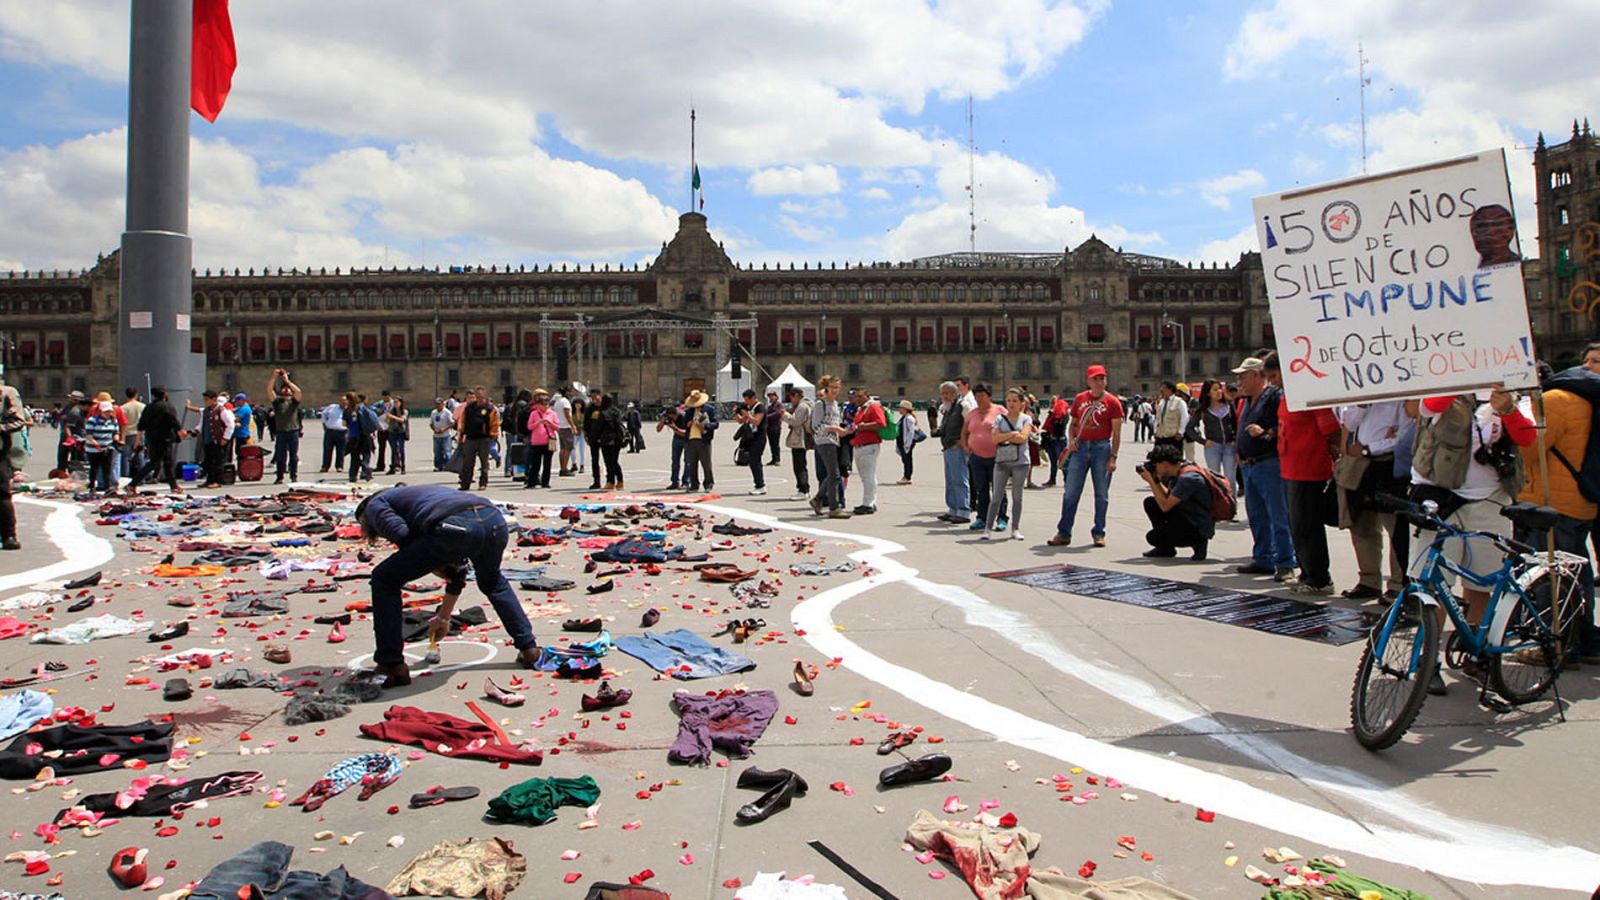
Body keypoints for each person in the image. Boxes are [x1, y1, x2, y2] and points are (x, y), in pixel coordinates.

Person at [1409, 387, 1535, 694]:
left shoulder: (1515, 396)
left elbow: (1528, 438)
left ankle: (1474, 653)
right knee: (1433, 583)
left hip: (1490, 499)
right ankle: (1428, 661)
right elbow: (1425, 408)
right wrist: (1456, 381)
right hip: (1439, 493)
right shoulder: (1447, 385)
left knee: (1483, 583)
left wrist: (1508, 410)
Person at [356, 486, 541, 688]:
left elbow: (403, 536)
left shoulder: (375, 506)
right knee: (493, 582)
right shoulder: (416, 496)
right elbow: (456, 572)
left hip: (454, 527)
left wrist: (435, 562)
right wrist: (443, 617)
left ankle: (390, 664)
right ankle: (529, 649)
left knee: (385, 579)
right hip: (494, 521)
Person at [1519, 364, 1599, 664]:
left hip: (1553, 503)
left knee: (1549, 577)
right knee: (1579, 574)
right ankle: (1584, 639)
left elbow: (1531, 449)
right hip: (1584, 499)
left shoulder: (1555, 400)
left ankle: (1553, 646)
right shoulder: (1590, 401)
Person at [1270, 352, 1340, 595]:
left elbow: (1331, 429)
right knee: (1297, 525)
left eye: (1274, 375)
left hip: (1310, 467)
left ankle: (1320, 578)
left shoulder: (1309, 394)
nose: (1273, 381)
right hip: (1291, 466)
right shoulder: (1286, 396)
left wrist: (1333, 454)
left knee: (1309, 524)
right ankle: (1307, 571)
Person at [1336, 400, 1409, 601]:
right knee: (1361, 525)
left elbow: (1402, 436)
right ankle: (1368, 580)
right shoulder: (1358, 397)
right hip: (1359, 465)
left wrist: (1369, 448)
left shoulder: (1399, 398)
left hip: (1387, 464)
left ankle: (1397, 584)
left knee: (1395, 528)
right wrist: (1360, 405)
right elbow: (1348, 424)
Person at [1233, 356, 1296, 581]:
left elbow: (1285, 425)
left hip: (1270, 462)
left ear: (1257, 376)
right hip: (1250, 464)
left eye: (1243, 376)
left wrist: (1266, 432)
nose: (1239, 381)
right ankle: (1263, 558)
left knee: (1277, 514)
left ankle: (1286, 561)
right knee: (1257, 514)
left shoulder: (1274, 397)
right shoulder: (1247, 400)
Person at [1048, 364, 1124, 548]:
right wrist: (1072, 441)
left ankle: (1099, 532)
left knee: (1101, 494)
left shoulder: (1113, 402)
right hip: (1080, 449)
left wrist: (1113, 457)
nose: (1099, 382)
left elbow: (1117, 433)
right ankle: (1064, 532)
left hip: (1102, 449)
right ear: (1088, 381)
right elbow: (1072, 424)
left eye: (1102, 378)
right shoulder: (1080, 398)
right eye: (1095, 379)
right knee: (1071, 492)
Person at [1138, 443, 1215, 560]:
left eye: (1156, 464)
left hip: (1197, 526)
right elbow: (1168, 496)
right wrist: (1156, 481)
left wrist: (1151, 481)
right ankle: (1166, 549)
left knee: (1153, 537)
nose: (1155, 467)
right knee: (1151, 503)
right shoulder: (1179, 471)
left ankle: (1198, 542)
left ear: (1165, 464)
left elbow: (1165, 506)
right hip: (1186, 515)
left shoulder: (1188, 479)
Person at [986, 388, 1034, 541]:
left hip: (1021, 462)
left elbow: (1024, 438)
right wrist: (1013, 434)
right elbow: (994, 439)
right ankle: (987, 528)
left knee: (1017, 496)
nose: (1011, 404)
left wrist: (1004, 437)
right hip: (1002, 462)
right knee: (996, 496)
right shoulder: (1000, 419)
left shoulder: (1026, 419)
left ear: (1021, 403)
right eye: (1009, 401)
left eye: (1015, 401)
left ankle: (1015, 528)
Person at [960, 384, 1006, 533]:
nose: (979, 399)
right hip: (977, 458)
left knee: (998, 489)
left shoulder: (999, 411)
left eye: (982, 396)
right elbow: (965, 431)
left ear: (989, 396)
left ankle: (1002, 518)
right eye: (977, 396)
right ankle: (982, 518)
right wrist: (966, 446)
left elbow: (1012, 426)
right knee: (981, 490)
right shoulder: (972, 413)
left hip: (997, 457)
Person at [809, 376, 850, 519]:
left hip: (834, 441)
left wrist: (843, 430)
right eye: (832, 387)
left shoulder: (835, 404)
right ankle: (833, 507)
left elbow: (836, 423)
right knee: (835, 475)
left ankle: (817, 499)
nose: (835, 390)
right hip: (824, 441)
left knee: (833, 474)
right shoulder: (821, 404)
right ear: (826, 387)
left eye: (837, 387)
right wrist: (835, 429)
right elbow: (816, 426)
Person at [130, 386, 183, 494]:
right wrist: (180, 431)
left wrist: (137, 440)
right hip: (166, 438)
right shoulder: (168, 406)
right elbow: (173, 421)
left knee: (166, 462)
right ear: (164, 394)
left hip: (152, 438)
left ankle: (174, 486)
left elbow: (141, 425)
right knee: (156, 462)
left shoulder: (149, 407)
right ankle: (132, 484)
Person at [935, 381, 970, 523]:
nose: (945, 396)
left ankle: (963, 511)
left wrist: (963, 440)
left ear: (955, 393)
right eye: (943, 393)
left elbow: (969, 423)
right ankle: (953, 508)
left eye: (948, 393)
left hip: (957, 447)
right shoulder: (947, 408)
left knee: (960, 479)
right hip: (948, 447)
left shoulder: (963, 406)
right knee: (950, 480)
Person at [0, 377, 29, 549]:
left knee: (2, 494)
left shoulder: (6, 393)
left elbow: (19, 420)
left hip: (0, 451)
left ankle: (9, 535)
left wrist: (1, 428)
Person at [847, 387, 886, 515]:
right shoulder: (862, 409)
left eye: (860, 396)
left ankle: (867, 504)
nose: (857, 399)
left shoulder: (873, 406)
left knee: (867, 476)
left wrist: (863, 426)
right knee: (868, 476)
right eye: (855, 397)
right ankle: (871, 502)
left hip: (869, 445)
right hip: (860, 444)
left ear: (867, 395)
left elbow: (881, 423)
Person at [454, 387, 498, 491]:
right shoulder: (469, 408)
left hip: (484, 439)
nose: (478, 397)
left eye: (480, 395)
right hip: (470, 438)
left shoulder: (489, 409)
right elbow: (464, 422)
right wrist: (461, 434)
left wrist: (492, 435)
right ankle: (465, 483)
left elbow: (494, 423)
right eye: (476, 395)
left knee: (484, 463)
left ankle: (483, 483)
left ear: (484, 396)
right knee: (467, 463)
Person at [1199, 380, 1237, 491]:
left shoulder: (1229, 406)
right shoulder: (1204, 409)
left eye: (1220, 388)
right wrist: (1203, 441)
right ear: (1208, 393)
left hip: (1229, 445)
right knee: (1214, 478)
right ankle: (1219, 504)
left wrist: (1235, 439)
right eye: (1215, 389)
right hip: (1213, 446)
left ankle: (1231, 505)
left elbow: (1236, 424)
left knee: (1230, 478)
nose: (1219, 391)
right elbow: (1190, 428)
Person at [266, 369, 303, 484]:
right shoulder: (277, 402)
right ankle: (280, 476)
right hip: (281, 431)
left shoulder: (294, 402)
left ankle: (293, 475)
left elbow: (298, 392)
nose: (286, 390)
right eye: (284, 388)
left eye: (288, 389)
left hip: (293, 431)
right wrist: (274, 377)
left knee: (293, 455)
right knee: (281, 455)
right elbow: (269, 390)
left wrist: (288, 381)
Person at [680, 390, 717, 492]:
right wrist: (688, 424)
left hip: (703, 439)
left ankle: (708, 483)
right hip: (691, 438)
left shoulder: (709, 409)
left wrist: (705, 425)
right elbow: (683, 423)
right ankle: (694, 485)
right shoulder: (689, 411)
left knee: (706, 463)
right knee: (692, 464)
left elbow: (716, 423)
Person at [523, 390, 559, 489]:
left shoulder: (552, 414)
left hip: (549, 441)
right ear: (538, 405)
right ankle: (532, 482)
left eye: (547, 405)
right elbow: (529, 427)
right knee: (535, 463)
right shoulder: (534, 414)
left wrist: (550, 423)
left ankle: (545, 482)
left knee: (547, 463)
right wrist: (538, 423)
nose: (545, 407)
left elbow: (557, 427)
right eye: (543, 405)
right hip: (537, 442)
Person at [735, 389, 768, 495]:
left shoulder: (759, 407)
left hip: (759, 437)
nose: (746, 402)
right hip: (751, 437)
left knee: (755, 460)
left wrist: (748, 415)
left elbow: (757, 421)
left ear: (753, 397)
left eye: (747, 400)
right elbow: (741, 421)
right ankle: (758, 484)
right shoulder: (749, 407)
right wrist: (737, 413)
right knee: (752, 461)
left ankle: (760, 485)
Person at [199, 391, 235, 488]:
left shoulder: (222, 410)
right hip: (208, 440)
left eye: (207, 400)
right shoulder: (206, 411)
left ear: (214, 399)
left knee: (218, 462)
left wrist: (225, 438)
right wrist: (196, 431)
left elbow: (230, 425)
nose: (205, 402)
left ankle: (217, 481)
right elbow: (203, 424)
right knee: (208, 462)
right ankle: (209, 480)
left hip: (218, 440)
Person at [84, 401, 121, 494]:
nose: (108, 413)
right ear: (100, 411)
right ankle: (92, 486)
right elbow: (89, 435)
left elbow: (115, 433)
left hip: (108, 448)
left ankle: (107, 487)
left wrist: (117, 440)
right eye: (106, 412)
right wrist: (96, 445)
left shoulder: (113, 421)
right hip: (93, 449)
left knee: (107, 468)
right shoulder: (92, 421)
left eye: (110, 411)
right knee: (94, 468)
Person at [784, 386, 813, 499]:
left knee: (799, 466)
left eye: (791, 397)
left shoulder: (802, 407)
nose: (790, 399)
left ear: (796, 396)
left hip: (800, 439)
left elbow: (795, 421)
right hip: (797, 439)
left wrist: (784, 414)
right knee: (798, 465)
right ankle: (801, 487)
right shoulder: (799, 406)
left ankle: (803, 489)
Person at [344, 392, 378, 483]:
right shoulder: (362, 408)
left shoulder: (347, 410)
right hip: (365, 435)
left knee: (354, 456)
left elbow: (344, 424)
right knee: (366, 454)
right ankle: (365, 469)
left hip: (354, 436)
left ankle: (353, 475)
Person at [596, 392, 626, 491]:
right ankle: (620, 481)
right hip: (617, 439)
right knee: (614, 461)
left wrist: (594, 437)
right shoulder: (616, 411)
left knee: (608, 462)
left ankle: (611, 482)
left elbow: (599, 427)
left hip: (606, 440)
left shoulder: (603, 412)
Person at [1039, 393, 1069, 487]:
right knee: (1053, 461)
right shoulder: (1053, 414)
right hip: (1053, 440)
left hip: (1059, 440)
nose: (1052, 404)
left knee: (1062, 461)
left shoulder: (1061, 414)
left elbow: (1060, 426)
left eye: (1054, 401)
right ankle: (1053, 479)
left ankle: (1067, 480)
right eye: (1051, 402)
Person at [658, 401, 687, 489]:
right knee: (675, 461)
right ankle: (675, 482)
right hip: (677, 439)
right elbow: (658, 430)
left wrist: (674, 428)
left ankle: (686, 482)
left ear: (676, 414)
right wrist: (662, 422)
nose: (672, 419)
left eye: (673, 417)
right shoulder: (668, 417)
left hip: (686, 439)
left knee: (688, 461)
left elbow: (685, 433)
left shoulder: (684, 417)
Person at [1151, 382, 1187, 451]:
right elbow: (1157, 418)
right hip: (1160, 437)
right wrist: (1155, 431)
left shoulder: (1180, 402)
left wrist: (1181, 432)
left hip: (1173, 437)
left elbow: (1184, 418)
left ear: (1170, 389)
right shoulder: (1161, 402)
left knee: (1173, 460)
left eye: (1163, 388)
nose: (1161, 390)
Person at [120, 388, 146, 480]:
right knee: (140, 455)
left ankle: (125, 477)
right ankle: (142, 477)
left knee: (126, 456)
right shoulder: (142, 406)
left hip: (127, 433)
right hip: (139, 432)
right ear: (136, 395)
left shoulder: (123, 408)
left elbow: (122, 422)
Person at [319, 396, 348, 473]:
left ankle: (339, 466)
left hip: (342, 432)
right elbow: (324, 414)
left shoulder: (349, 410)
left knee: (341, 451)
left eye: (345, 401)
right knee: (327, 450)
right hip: (330, 431)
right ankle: (325, 466)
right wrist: (324, 424)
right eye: (342, 400)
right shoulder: (332, 407)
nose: (343, 402)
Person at [553, 387, 576, 476]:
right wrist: (573, 426)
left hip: (560, 426)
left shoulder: (557, 402)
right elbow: (567, 415)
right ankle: (565, 468)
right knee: (568, 448)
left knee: (562, 448)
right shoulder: (565, 402)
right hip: (566, 426)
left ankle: (562, 467)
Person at [894, 400, 919, 485]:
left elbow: (911, 432)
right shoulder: (904, 417)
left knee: (907, 460)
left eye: (900, 408)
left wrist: (907, 444)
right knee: (905, 460)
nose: (899, 410)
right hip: (902, 442)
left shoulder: (909, 418)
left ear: (905, 409)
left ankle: (907, 477)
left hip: (906, 443)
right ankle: (906, 476)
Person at [384, 396, 409, 475]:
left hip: (401, 432)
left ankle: (403, 467)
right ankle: (393, 467)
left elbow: (402, 420)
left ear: (401, 403)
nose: (395, 404)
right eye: (394, 402)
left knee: (401, 449)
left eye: (397, 402)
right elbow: (387, 420)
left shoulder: (404, 411)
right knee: (394, 450)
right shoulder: (391, 411)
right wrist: (387, 417)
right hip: (392, 432)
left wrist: (392, 417)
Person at [429, 398, 454, 471]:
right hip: (436, 436)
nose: (438, 406)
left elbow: (452, 423)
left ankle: (448, 465)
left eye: (439, 404)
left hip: (445, 435)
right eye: (436, 404)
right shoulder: (433, 412)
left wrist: (444, 429)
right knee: (437, 452)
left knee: (447, 452)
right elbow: (431, 423)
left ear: (443, 404)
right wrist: (434, 429)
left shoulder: (447, 412)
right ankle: (438, 466)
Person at [231, 392, 254, 469]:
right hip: (240, 434)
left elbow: (236, 419)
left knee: (241, 453)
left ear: (243, 400)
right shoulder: (241, 407)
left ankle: (242, 468)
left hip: (242, 434)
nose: (236, 403)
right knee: (239, 452)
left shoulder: (244, 409)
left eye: (237, 401)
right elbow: (233, 410)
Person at [373, 391, 392, 474]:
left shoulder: (393, 404)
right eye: (383, 397)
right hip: (382, 428)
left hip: (391, 428)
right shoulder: (379, 403)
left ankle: (396, 465)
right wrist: (377, 410)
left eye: (386, 397)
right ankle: (380, 465)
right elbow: (371, 408)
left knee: (394, 448)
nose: (385, 399)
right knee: (381, 448)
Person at [764, 390, 784, 466]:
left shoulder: (778, 405)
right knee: (771, 444)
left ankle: (777, 459)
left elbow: (777, 414)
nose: (771, 398)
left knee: (775, 444)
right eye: (769, 396)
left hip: (775, 427)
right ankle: (773, 459)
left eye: (772, 396)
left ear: (776, 396)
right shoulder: (770, 406)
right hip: (769, 427)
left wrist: (766, 417)